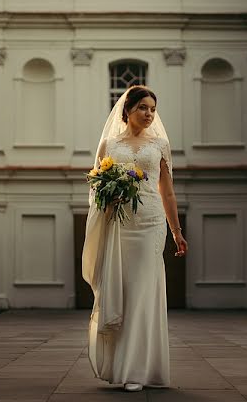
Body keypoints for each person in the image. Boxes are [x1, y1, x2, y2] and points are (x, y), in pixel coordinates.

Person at [81, 85, 187, 392]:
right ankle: (125, 367)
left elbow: (167, 191)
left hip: (151, 222)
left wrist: (176, 232)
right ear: (127, 110)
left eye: (153, 109)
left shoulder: (161, 145)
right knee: (123, 291)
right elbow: (96, 188)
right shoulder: (109, 145)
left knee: (144, 292)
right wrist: (108, 198)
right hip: (120, 223)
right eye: (143, 108)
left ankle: (139, 370)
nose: (149, 114)